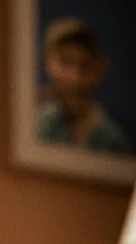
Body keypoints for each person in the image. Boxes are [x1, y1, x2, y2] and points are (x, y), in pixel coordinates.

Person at [35, 17, 130, 154]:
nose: (75, 75)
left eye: (84, 64)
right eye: (65, 61)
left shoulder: (113, 139)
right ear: (49, 64)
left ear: (99, 68)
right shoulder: (38, 123)